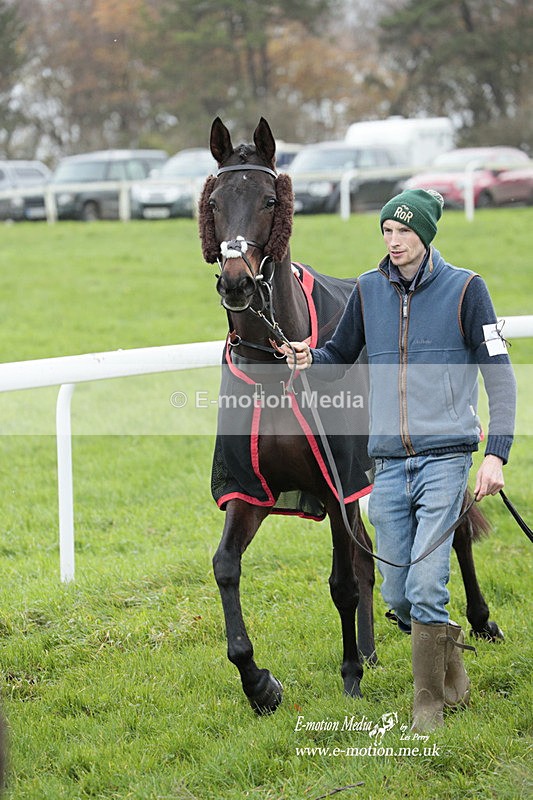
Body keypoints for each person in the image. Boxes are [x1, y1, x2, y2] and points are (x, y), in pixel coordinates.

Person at [281, 188, 516, 732]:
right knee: (395, 593)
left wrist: (495, 455)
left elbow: (500, 379)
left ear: (426, 235)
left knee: (427, 584)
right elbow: (338, 358)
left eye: (404, 232)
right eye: (387, 232)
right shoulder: (368, 290)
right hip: (385, 463)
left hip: (445, 459)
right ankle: (451, 670)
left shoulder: (467, 290)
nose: (394, 242)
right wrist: (306, 358)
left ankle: (427, 710)